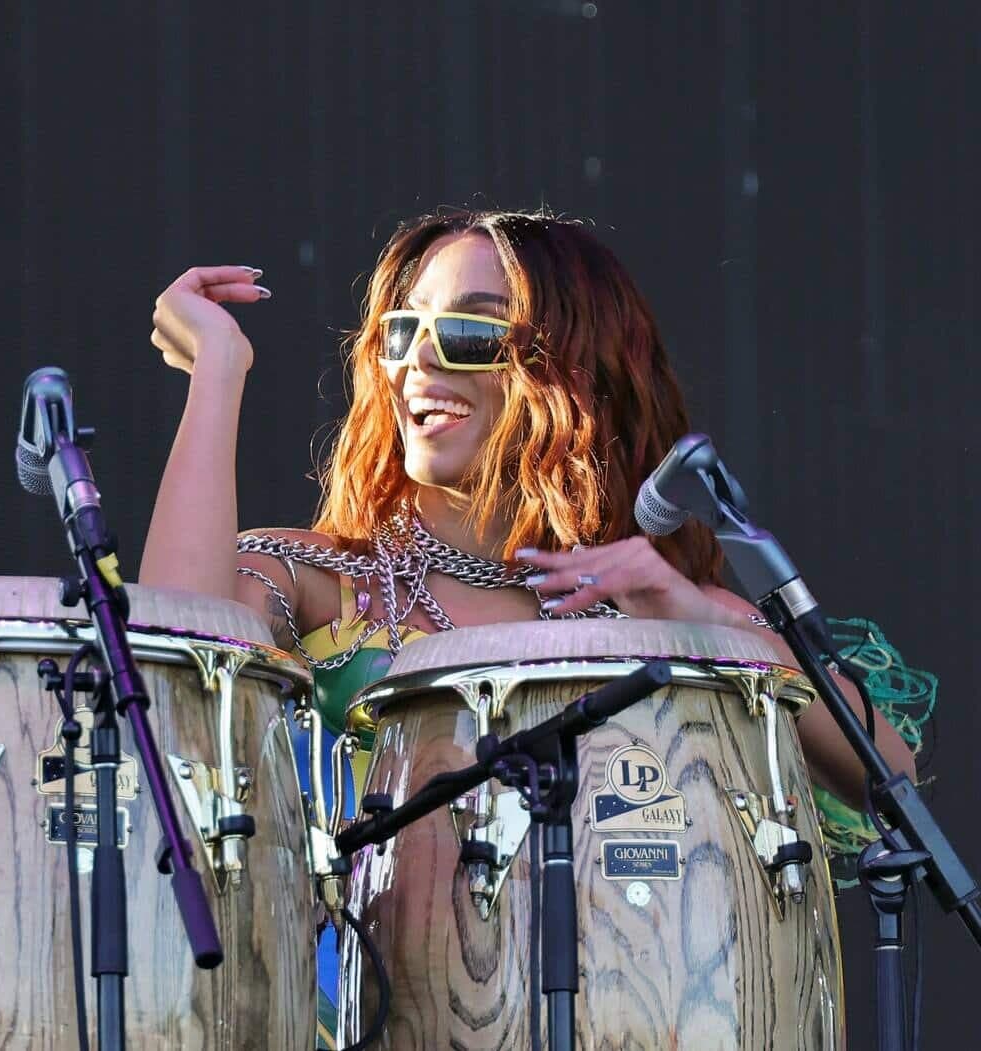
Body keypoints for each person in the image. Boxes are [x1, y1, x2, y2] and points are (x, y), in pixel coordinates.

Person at [140, 208, 918, 1044]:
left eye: (468, 333)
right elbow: (170, 665)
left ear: (572, 368)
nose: (419, 360)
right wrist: (217, 373)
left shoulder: (653, 607)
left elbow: (891, 777)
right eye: (402, 331)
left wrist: (698, 620)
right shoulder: (327, 584)